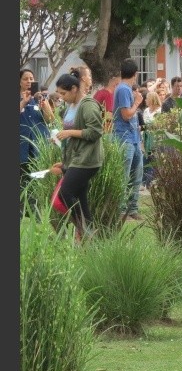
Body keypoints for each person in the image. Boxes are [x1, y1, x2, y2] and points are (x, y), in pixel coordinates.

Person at [49, 71, 105, 242]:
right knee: (81, 198)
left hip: (87, 160)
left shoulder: (88, 105)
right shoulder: (70, 106)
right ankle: (89, 236)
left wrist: (69, 132)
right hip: (75, 158)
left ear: (74, 89)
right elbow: (72, 134)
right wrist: (61, 140)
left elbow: (95, 132)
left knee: (65, 193)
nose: (61, 97)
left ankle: (83, 231)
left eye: (63, 93)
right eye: (58, 93)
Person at [19, 68, 56, 217]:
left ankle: (36, 212)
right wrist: (24, 102)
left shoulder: (40, 99)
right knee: (22, 181)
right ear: (19, 82)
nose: (29, 81)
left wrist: (45, 106)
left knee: (37, 180)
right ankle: (22, 211)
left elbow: (51, 120)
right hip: (21, 148)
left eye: (31, 78)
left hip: (38, 148)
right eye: (25, 79)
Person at [112, 58, 145, 220]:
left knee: (136, 175)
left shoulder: (124, 89)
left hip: (133, 138)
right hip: (124, 138)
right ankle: (121, 209)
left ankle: (132, 208)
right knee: (125, 176)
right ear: (136, 74)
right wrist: (137, 102)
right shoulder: (124, 89)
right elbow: (126, 115)